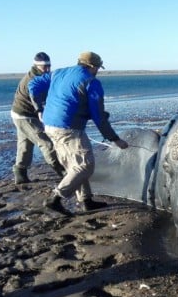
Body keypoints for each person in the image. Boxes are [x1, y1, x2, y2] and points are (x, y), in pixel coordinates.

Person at [29, 51, 128, 216]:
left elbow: (33, 85)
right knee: (85, 166)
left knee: (73, 166)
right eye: (97, 67)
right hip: (68, 129)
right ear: (91, 66)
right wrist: (116, 140)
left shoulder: (59, 73)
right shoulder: (91, 82)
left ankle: (86, 201)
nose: (97, 70)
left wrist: (39, 108)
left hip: (49, 125)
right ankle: (55, 199)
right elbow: (99, 117)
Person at [10, 52, 65, 184]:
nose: (47, 69)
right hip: (24, 115)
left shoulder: (44, 76)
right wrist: (40, 111)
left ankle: (20, 175)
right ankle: (61, 171)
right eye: (43, 66)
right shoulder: (33, 79)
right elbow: (35, 97)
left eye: (48, 66)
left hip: (24, 114)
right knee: (46, 143)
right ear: (35, 65)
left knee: (25, 145)